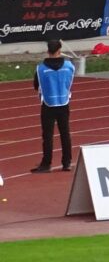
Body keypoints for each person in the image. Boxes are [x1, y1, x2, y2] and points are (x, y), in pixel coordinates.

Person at [32, 38, 75, 173]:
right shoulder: (69, 66)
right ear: (59, 50)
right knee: (65, 134)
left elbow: (36, 86)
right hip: (63, 102)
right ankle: (67, 163)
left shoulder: (40, 68)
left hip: (48, 104)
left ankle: (46, 164)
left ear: (48, 51)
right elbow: (69, 82)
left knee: (47, 136)